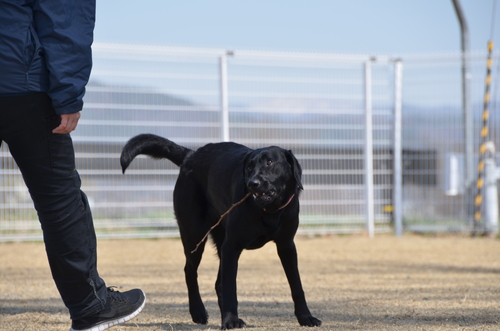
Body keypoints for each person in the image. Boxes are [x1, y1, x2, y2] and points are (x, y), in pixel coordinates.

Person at [0, 1, 146, 330]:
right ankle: (90, 307)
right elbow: (64, 17)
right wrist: (67, 93)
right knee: (59, 202)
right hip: (22, 85)